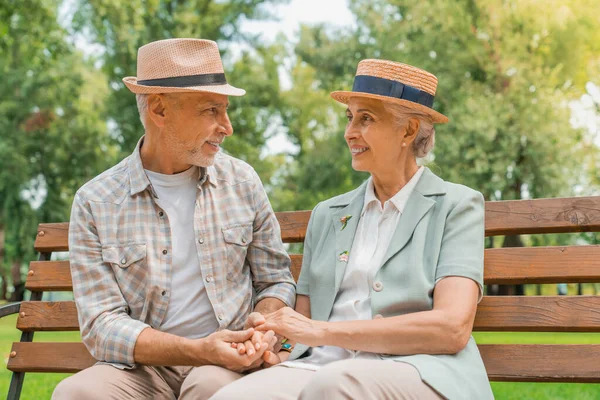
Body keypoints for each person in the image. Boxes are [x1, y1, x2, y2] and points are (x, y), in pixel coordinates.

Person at [212, 59, 494, 399]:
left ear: (408, 130)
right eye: (350, 117)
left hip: (419, 369)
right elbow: (304, 323)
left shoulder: (457, 206)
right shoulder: (328, 214)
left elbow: (452, 328)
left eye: (366, 119)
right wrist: (275, 344)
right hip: (321, 366)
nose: (350, 132)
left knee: (333, 386)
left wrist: (324, 332)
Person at [52, 38, 296, 400]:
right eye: (211, 110)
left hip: (225, 365)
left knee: (210, 387)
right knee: (77, 394)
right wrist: (196, 349)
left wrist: (260, 326)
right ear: (160, 110)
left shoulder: (242, 182)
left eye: (226, 110)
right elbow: (102, 324)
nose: (227, 126)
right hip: (140, 369)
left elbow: (275, 281)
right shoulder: (96, 201)